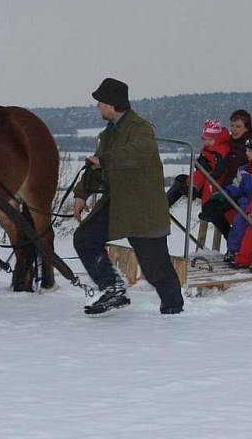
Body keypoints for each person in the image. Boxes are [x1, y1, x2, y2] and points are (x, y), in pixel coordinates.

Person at [72, 78, 184, 316]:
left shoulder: (140, 128)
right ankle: (113, 288)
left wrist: (105, 160)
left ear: (112, 104)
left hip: (143, 208)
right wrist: (81, 194)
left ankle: (174, 311)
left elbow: (136, 153)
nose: (98, 107)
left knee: (156, 268)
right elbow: (96, 166)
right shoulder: (108, 134)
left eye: (100, 102)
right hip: (118, 204)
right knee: (85, 238)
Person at [200, 133, 252, 262]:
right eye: (246, 150)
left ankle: (240, 252)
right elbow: (237, 185)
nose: (246, 153)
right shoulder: (243, 169)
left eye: (250, 151)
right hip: (244, 202)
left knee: (242, 224)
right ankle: (233, 249)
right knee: (230, 219)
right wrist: (224, 194)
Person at [166, 119, 231, 206]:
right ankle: (168, 202)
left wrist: (212, 173)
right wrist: (199, 164)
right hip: (205, 175)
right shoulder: (208, 147)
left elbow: (221, 167)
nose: (207, 142)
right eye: (205, 140)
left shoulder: (222, 149)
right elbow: (201, 161)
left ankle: (206, 206)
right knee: (187, 177)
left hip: (216, 180)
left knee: (207, 181)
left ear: (218, 138)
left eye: (210, 140)